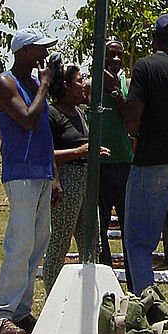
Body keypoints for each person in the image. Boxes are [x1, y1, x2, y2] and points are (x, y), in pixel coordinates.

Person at [118, 14, 168, 300]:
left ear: (153, 37)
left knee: (139, 242)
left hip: (152, 162)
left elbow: (132, 121)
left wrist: (120, 101)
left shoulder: (145, 67)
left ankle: (147, 307)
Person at [0, 27, 62, 334]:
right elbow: (27, 119)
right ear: (24, 51)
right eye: (39, 49)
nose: (44, 53)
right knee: (20, 244)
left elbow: (45, 133)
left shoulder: (33, 84)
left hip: (41, 172)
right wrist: (45, 84)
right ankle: (0, 314)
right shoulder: (6, 83)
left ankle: (21, 310)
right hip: (20, 173)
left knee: (37, 245)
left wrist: (54, 175)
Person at [42, 62, 107, 295]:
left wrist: (92, 152)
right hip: (67, 180)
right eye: (79, 81)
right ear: (66, 85)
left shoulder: (80, 114)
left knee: (91, 242)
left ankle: (89, 296)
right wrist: (79, 152)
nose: (83, 86)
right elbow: (46, 154)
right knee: (59, 242)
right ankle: (52, 296)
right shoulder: (52, 114)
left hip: (86, 181)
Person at [98, 37, 133, 287]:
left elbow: (131, 118)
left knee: (128, 227)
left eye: (120, 55)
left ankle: (134, 282)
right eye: (111, 54)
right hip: (98, 165)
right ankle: (106, 279)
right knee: (99, 230)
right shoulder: (89, 84)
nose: (116, 59)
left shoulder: (125, 84)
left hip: (123, 163)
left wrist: (116, 92)